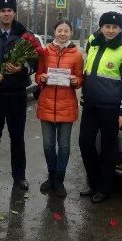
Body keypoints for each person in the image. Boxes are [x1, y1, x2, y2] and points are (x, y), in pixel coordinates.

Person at [0, 0, 39, 191]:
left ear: (14, 12)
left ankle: (19, 176)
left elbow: (36, 61)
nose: (6, 13)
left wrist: (22, 68)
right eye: (3, 10)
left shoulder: (25, 35)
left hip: (17, 94)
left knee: (17, 137)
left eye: (10, 10)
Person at [79, 11, 122, 204]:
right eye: (107, 26)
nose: (111, 30)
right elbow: (87, 71)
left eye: (115, 27)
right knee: (85, 144)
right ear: (101, 27)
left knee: (108, 148)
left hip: (111, 108)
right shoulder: (93, 44)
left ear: (120, 29)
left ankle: (104, 188)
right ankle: (94, 183)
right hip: (90, 105)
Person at [35, 20, 84, 197]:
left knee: (63, 145)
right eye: (59, 30)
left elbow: (80, 79)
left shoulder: (77, 55)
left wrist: (75, 81)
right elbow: (38, 75)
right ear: (54, 32)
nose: (62, 34)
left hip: (67, 106)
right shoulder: (45, 52)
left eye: (66, 31)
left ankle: (59, 180)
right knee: (48, 145)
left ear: (71, 33)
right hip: (47, 104)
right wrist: (42, 78)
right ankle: (51, 175)